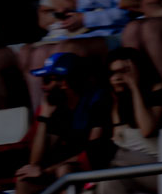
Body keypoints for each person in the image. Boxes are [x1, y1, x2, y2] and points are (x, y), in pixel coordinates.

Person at [16, 52, 112, 194]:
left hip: (96, 164)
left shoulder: (97, 100)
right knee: (24, 180)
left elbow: (93, 151)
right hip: (63, 168)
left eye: (47, 81)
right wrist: (44, 117)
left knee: (65, 171)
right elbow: (34, 162)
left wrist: (46, 170)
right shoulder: (58, 107)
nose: (43, 87)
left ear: (64, 83)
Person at [97, 48, 162, 193]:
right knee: (110, 182)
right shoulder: (118, 101)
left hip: (161, 166)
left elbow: (147, 129)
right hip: (134, 169)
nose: (117, 77)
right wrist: (116, 106)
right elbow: (118, 138)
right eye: (113, 73)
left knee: (119, 159)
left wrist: (134, 86)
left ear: (136, 69)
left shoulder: (157, 89)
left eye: (123, 71)